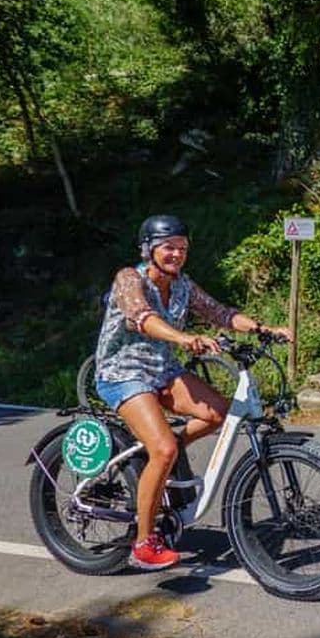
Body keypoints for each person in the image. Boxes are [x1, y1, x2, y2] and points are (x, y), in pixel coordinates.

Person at [94, 214, 292, 570]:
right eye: (169, 247)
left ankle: (161, 456)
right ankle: (144, 542)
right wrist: (184, 338)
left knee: (219, 413)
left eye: (182, 248)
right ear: (149, 249)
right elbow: (142, 317)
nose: (176, 255)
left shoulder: (183, 285)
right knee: (165, 447)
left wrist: (264, 328)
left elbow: (221, 314)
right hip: (123, 374)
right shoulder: (129, 278)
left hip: (163, 371)